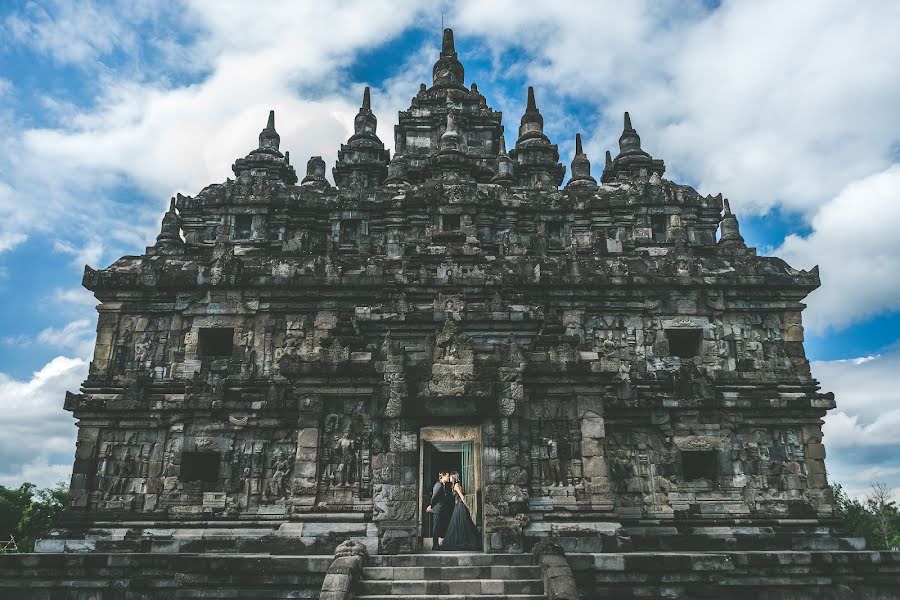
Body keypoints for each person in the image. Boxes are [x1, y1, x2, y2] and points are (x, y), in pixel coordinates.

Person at [438, 471, 480, 551]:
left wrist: (467, 506)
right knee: (459, 525)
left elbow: (462, 497)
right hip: (458, 506)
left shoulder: (456, 486)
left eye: (450, 476)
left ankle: (463, 541)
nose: (449, 477)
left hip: (460, 506)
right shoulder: (454, 485)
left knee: (461, 524)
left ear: (454, 477)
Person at [426, 471, 453, 549]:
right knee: (436, 527)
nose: (448, 477)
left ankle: (437, 544)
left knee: (438, 526)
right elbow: (434, 497)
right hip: (437, 509)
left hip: (441, 509)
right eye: (447, 476)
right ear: (442, 476)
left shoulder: (443, 485)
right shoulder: (438, 485)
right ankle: (435, 545)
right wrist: (431, 506)